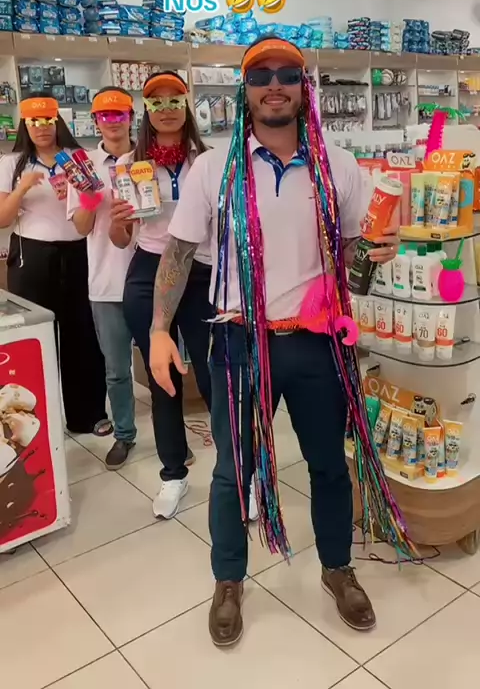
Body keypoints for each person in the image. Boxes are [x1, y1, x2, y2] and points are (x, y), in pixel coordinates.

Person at [148, 37, 400, 647]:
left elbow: (353, 246)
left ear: (304, 86)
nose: (275, 85)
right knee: (233, 472)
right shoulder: (214, 168)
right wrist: (158, 329)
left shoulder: (338, 165)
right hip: (239, 342)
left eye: (288, 73)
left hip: (317, 342)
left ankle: (337, 568)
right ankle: (228, 579)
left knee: (328, 465)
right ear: (246, 89)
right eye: (261, 76)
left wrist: (377, 250)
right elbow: (178, 253)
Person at [110, 71, 213, 519]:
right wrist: (118, 220)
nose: (167, 109)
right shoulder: (128, 164)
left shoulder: (206, 161)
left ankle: (239, 470)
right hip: (148, 269)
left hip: (201, 271)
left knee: (214, 373)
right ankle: (173, 474)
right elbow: (120, 240)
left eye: (175, 100)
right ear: (146, 110)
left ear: (186, 106)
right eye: (157, 101)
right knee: (161, 377)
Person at [0, 93, 109, 435]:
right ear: (25, 125)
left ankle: (87, 415)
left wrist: (83, 194)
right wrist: (22, 188)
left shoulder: (78, 158)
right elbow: (3, 218)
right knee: (37, 337)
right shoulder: (12, 163)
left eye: (47, 120)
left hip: (78, 253)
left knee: (83, 336)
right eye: (34, 122)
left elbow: (96, 201)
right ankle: (38, 422)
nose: (41, 128)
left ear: (57, 122)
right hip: (31, 257)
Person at [67, 87, 137, 469]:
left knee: (162, 364)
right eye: (105, 115)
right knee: (116, 371)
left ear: (131, 117)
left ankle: (172, 439)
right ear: (95, 121)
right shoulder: (84, 165)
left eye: (119, 114)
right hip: (106, 282)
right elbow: (81, 227)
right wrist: (91, 198)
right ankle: (124, 434)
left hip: (150, 278)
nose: (112, 121)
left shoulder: (148, 158)